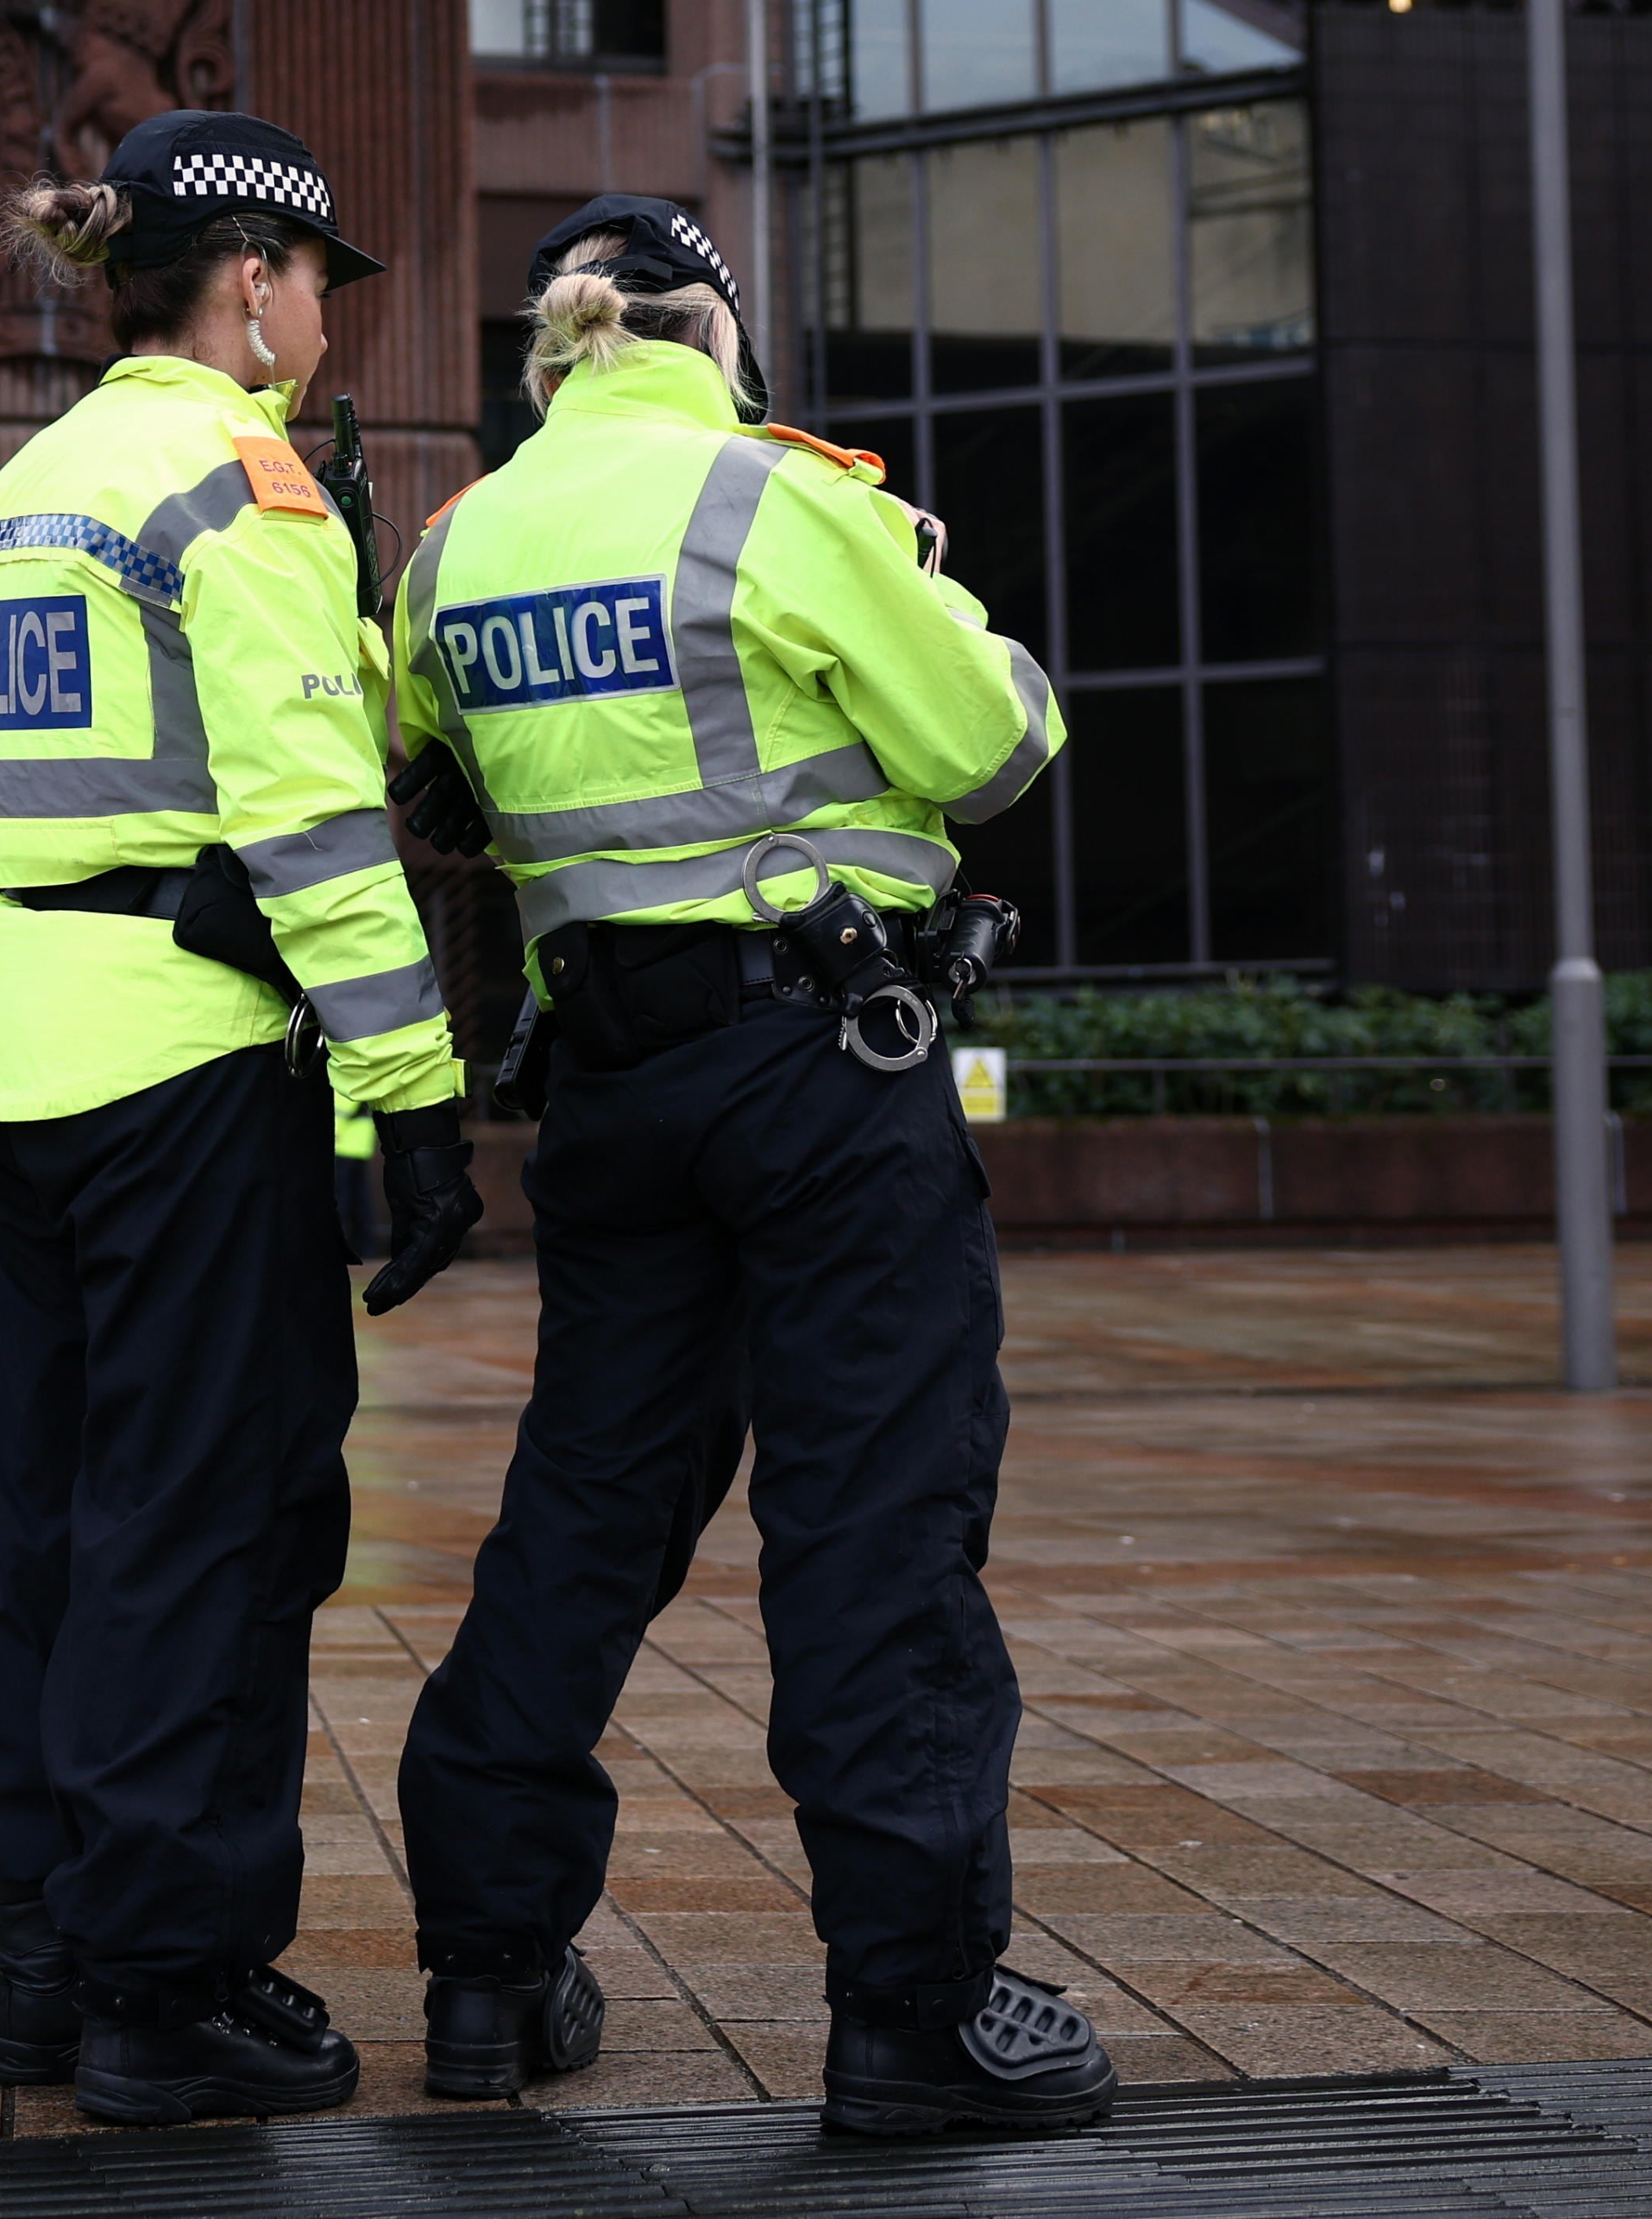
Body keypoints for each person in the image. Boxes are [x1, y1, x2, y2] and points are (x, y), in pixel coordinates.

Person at [384, 196, 1096, 2136]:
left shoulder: (450, 548)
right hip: (820, 1064)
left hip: (609, 1090)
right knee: (872, 1520)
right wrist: (937, 591)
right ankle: (911, 2012)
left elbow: (426, 769)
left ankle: (484, 1971)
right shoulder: (774, 497)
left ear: (551, 352)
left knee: (580, 1522)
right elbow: (989, 738)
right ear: (717, 339)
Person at [0, 112, 481, 2127]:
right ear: (249, 280)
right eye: (320, 277)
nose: (328, 318)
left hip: (25, 1046)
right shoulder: (236, 477)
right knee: (212, 1522)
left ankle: (46, 1952)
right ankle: (169, 1986)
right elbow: (311, 818)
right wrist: (414, 1094)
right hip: (186, 1066)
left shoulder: (33, 481)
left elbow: (160, 753)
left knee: (61, 1527)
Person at [331, 1088, 379, 1264]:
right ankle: (366, 1247)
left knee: (341, 1199)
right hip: (358, 1145)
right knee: (360, 1199)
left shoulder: (343, 1080)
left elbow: (343, 1108)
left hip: (342, 1144)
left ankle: (340, 1246)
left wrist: (330, 1133)